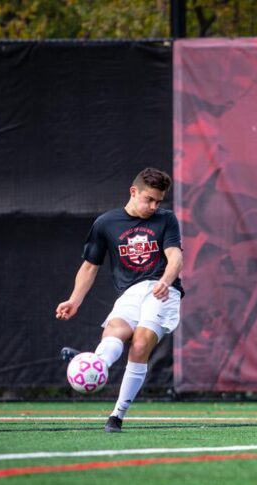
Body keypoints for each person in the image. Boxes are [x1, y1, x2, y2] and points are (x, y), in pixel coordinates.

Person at [55, 167, 183, 433]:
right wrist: (74, 301)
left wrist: (166, 280)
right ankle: (96, 364)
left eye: (159, 201)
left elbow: (176, 257)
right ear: (133, 192)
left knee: (140, 343)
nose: (154, 206)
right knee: (114, 330)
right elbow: (90, 266)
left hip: (162, 291)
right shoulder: (105, 223)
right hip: (131, 293)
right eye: (149, 199)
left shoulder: (166, 220)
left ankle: (117, 415)